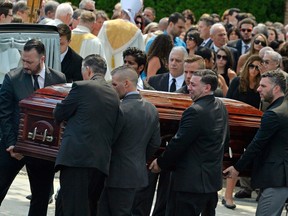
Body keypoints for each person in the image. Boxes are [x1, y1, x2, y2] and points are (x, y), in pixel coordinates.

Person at [150, 69, 230, 216]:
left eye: (193, 85)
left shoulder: (195, 111)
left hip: (190, 185)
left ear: (207, 88)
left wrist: (161, 163)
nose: (188, 88)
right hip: (210, 182)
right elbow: (225, 140)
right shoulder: (220, 106)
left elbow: (179, 143)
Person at [0, 39, 66, 216]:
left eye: (30, 61)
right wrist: (12, 144)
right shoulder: (12, 78)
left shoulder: (58, 79)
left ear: (42, 59)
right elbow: (4, 114)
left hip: (43, 150)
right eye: (23, 60)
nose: (25, 65)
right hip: (13, 147)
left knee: (41, 197)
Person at [54, 54, 120, 216]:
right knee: (87, 207)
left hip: (77, 160)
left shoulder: (82, 87)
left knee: (74, 208)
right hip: (100, 161)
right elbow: (117, 128)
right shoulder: (114, 95)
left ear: (88, 70)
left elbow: (60, 113)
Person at [97, 65, 161, 216]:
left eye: (114, 84)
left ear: (126, 83)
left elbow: (108, 141)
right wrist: (138, 159)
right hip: (137, 175)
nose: (112, 88)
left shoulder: (119, 109)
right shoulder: (152, 109)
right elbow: (155, 143)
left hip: (115, 175)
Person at [223, 70, 288, 216]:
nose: (258, 89)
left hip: (275, 178)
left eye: (263, 86)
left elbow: (256, 145)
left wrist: (237, 168)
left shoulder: (274, 114)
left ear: (276, 88)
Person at [223, 55, 262, 209]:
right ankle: (228, 196)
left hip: (253, 128)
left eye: (258, 67)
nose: (254, 70)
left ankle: (257, 189)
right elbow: (228, 101)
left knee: (250, 159)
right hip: (235, 126)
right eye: (252, 66)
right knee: (234, 160)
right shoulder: (238, 82)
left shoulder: (261, 86)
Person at [98, 0, 144, 74]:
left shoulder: (106, 25)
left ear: (121, 12)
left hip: (103, 73)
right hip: (124, 76)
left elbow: (98, 46)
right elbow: (141, 57)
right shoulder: (136, 32)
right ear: (135, 14)